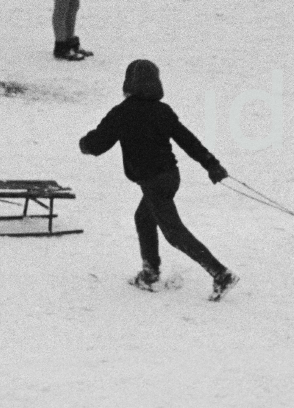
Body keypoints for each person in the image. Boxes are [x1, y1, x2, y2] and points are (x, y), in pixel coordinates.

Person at [79, 60, 237, 301]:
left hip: (153, 181)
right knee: (143, 217)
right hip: (170, 177)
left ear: (127, 83)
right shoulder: (162, 111)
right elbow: (188, 140)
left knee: (174, 232)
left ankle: (220, 273)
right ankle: (150, 272)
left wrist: (85, 144)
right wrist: (211, 164)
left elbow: (98, 144)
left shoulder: (122, 113)